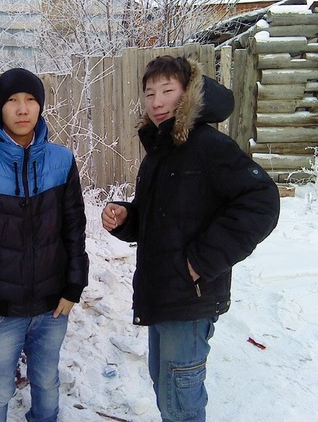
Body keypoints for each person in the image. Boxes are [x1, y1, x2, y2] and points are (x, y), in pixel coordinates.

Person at [101, 56, 280, 422]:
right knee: (167, 391)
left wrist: (201, 261)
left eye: (167, 91)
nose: (157, 102)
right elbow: (161, 218)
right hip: (163, 293)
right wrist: (127, 217)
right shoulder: (160, 153)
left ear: (188, 94)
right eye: (150, 93)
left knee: (180, 403)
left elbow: (261, 201)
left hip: (189, 297)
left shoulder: (208, 145)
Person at [0, 67, 89, 422]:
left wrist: (74, 286)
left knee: (47, 382)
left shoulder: (62, 161)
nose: (22, 109)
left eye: (30, 100)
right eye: (12, 100)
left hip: (52, 307)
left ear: (40, 106)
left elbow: (74, 229)